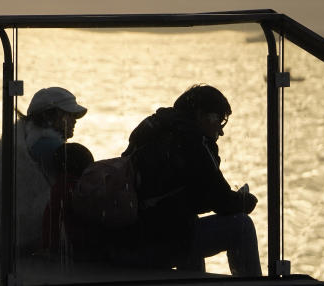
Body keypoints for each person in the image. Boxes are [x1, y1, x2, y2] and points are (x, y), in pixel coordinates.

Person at [111, 84, 261, 277]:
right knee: (242, 226)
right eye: (219, 119)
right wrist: (246, 200)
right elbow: (223, 201)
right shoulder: (192, 141)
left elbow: (174, 197)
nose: (221, 130)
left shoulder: (151, 129)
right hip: (155, 246)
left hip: (127, 243)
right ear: (200, 115)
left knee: (187, 222)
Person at [0, 86, 88, 256]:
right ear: (49, 116)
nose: (74, 120)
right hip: (9, 239)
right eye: (69, 115)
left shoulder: (21, 136)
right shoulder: (46, 146)